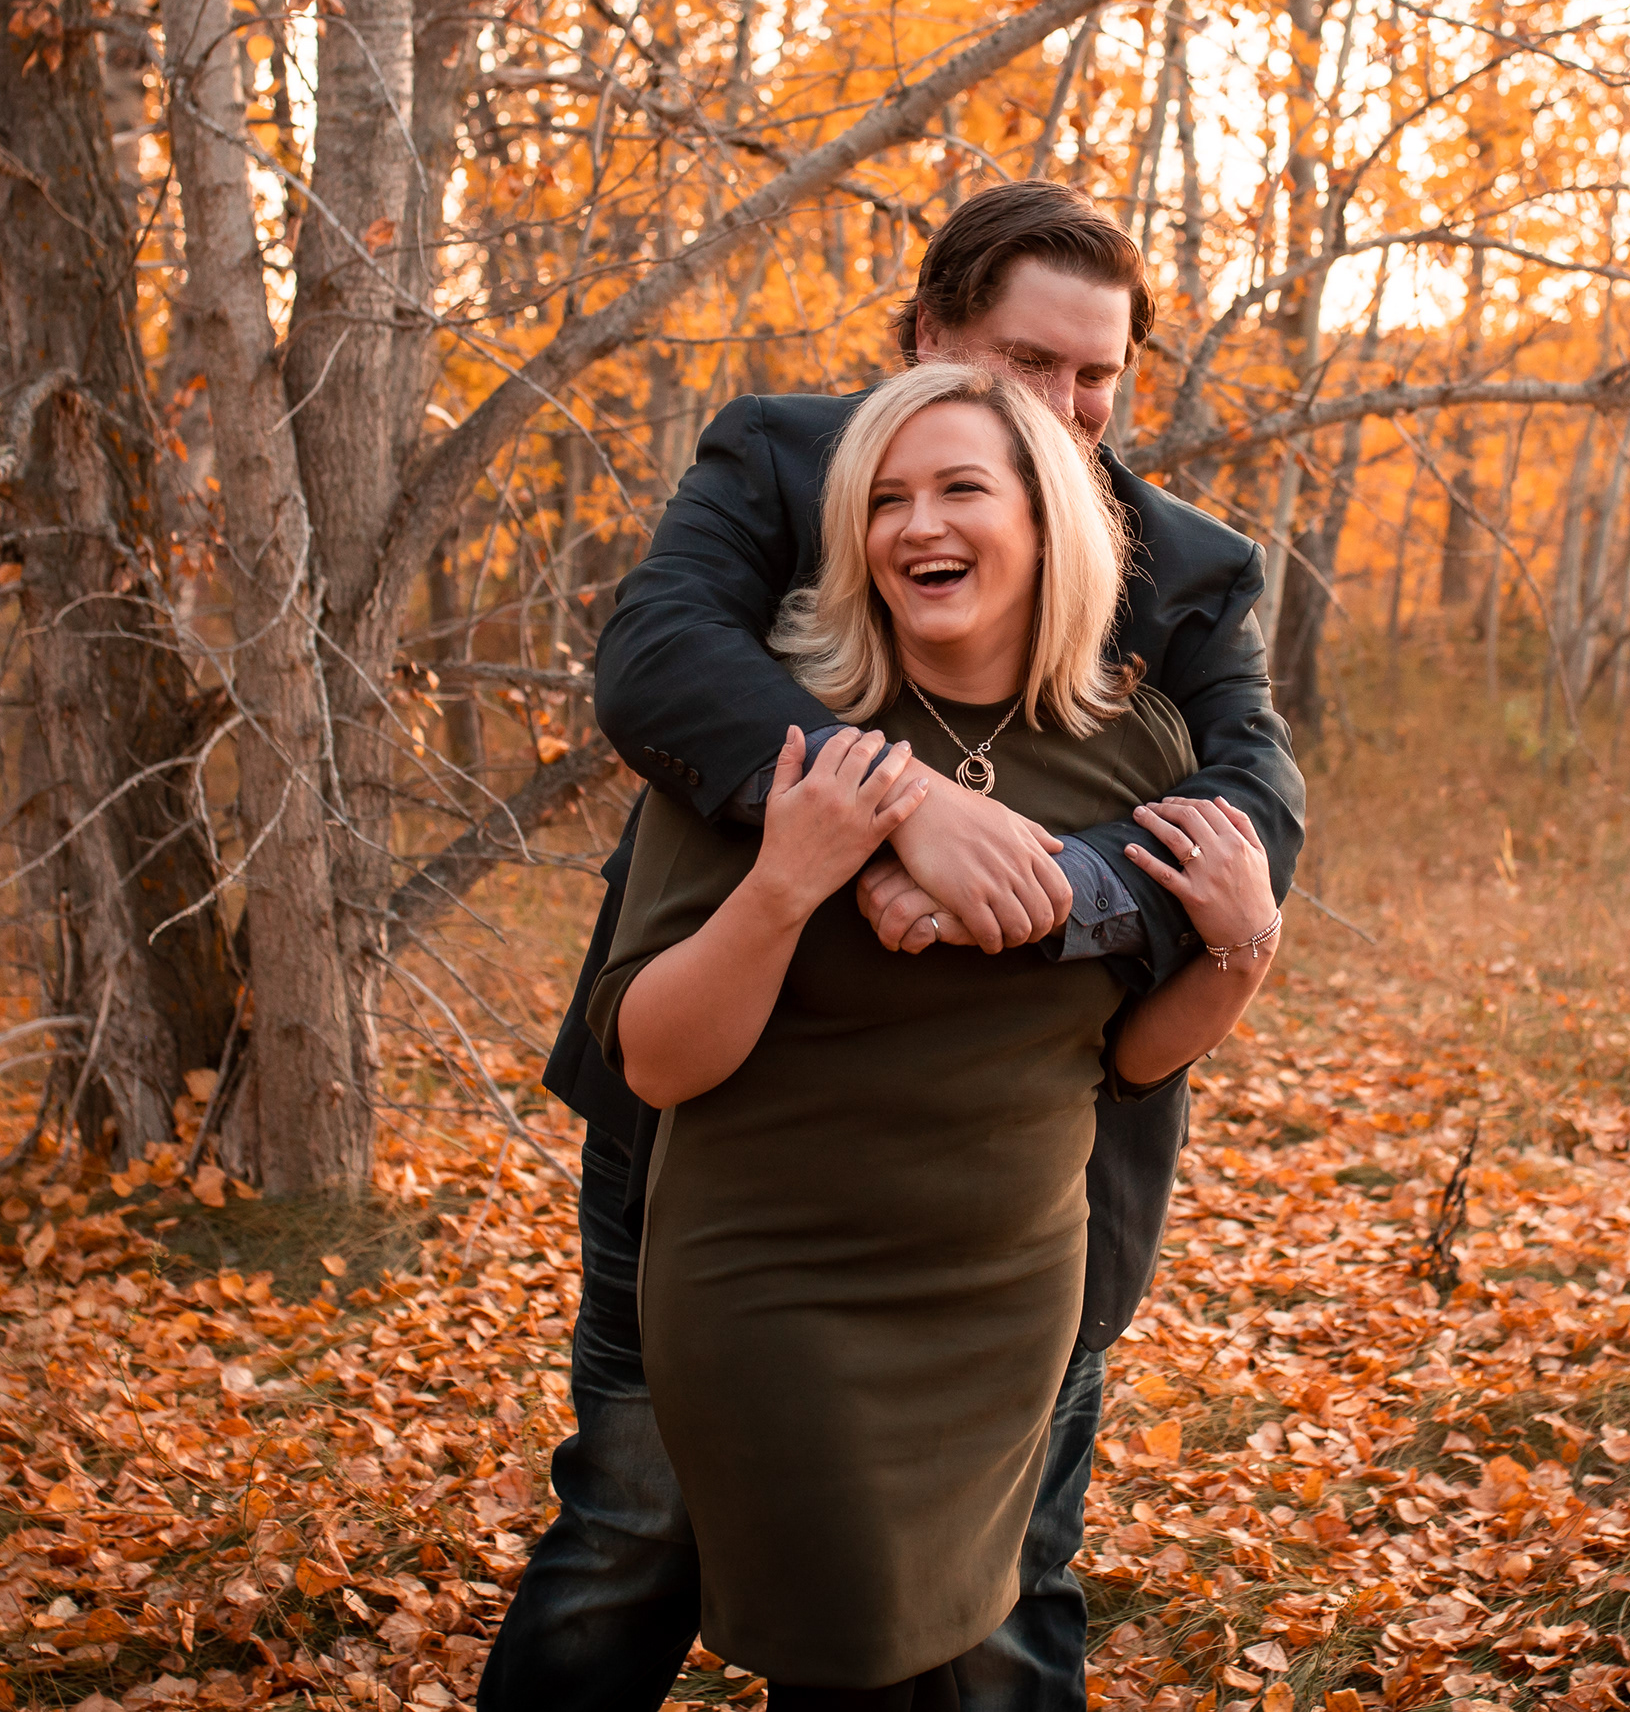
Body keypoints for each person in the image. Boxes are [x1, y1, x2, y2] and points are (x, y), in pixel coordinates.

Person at [481, 183, 1306, 1709]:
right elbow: (660, 660)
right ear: (925, 336)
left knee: (1004, 1583)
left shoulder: (1186, 569)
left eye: (1097, 374)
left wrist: (1044, 881)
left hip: (1018, 1193)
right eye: (1024, 361)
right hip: (736, 1164)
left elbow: (1252, 805)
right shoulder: (786, 463)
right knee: (634, 1527)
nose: (1065, 407)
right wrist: (903, 811)